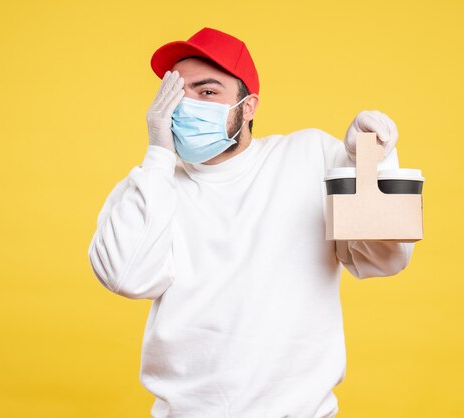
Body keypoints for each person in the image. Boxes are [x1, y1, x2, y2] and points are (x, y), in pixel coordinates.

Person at [87, 27, 414, 418]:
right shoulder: (152, 182)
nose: (187, 105)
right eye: (176, 93)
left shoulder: (309, 155)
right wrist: (158, 153)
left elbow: (384, 257)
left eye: (208, 92)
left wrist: (369, 162)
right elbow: (127, 277)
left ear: (248, 106)